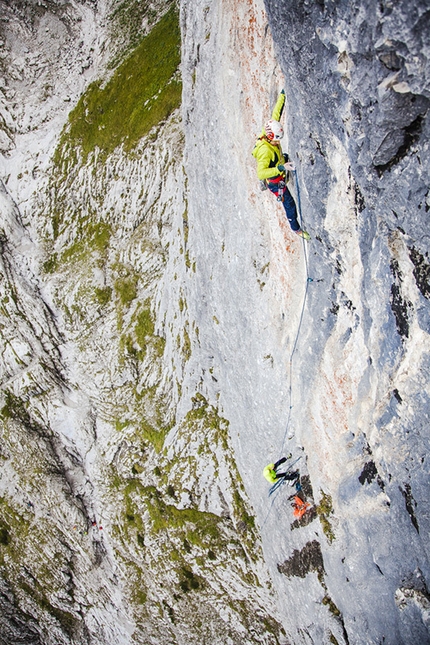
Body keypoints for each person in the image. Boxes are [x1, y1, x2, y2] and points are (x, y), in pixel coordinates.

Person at [252, 90, 310, 240]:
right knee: (289, 203)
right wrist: (281, 168)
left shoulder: (268, 132)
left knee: (283, 157)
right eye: (277, 140)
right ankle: (296, 229)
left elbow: (275, 114)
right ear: (272, 138)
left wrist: (283, 96)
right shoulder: (266, 151)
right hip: (275, 181)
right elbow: (260, 172)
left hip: (278, 164)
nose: (278, 142)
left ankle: (276, 173)